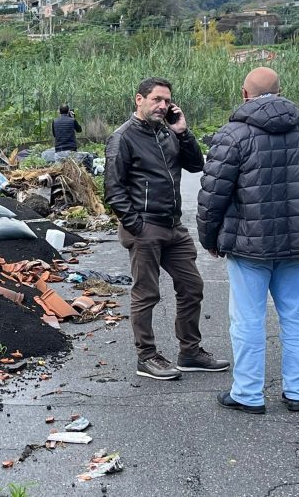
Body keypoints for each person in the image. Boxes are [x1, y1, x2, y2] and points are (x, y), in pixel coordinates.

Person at [197, 67, 299, 414]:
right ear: (281, 91)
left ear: (245, 94)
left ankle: (248, 394)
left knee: (247, 318)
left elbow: (213, 195)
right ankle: (297, 393)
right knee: (295, 316)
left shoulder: (233, 134)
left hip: (249, 245)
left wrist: (210, 239)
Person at [104, 77, 229, 381]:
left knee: (192, 287)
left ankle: (190, 352)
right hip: (145, 228)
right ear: (139, 100)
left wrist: (183, 132)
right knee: (146, 294)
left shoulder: (167, 133)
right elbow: (113, 189)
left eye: (167, 101)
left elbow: (197, 164)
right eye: (157, 99)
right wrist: (136, 226)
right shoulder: (123, 138)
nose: (163, 106)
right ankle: (146, 357)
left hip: (174, 228)